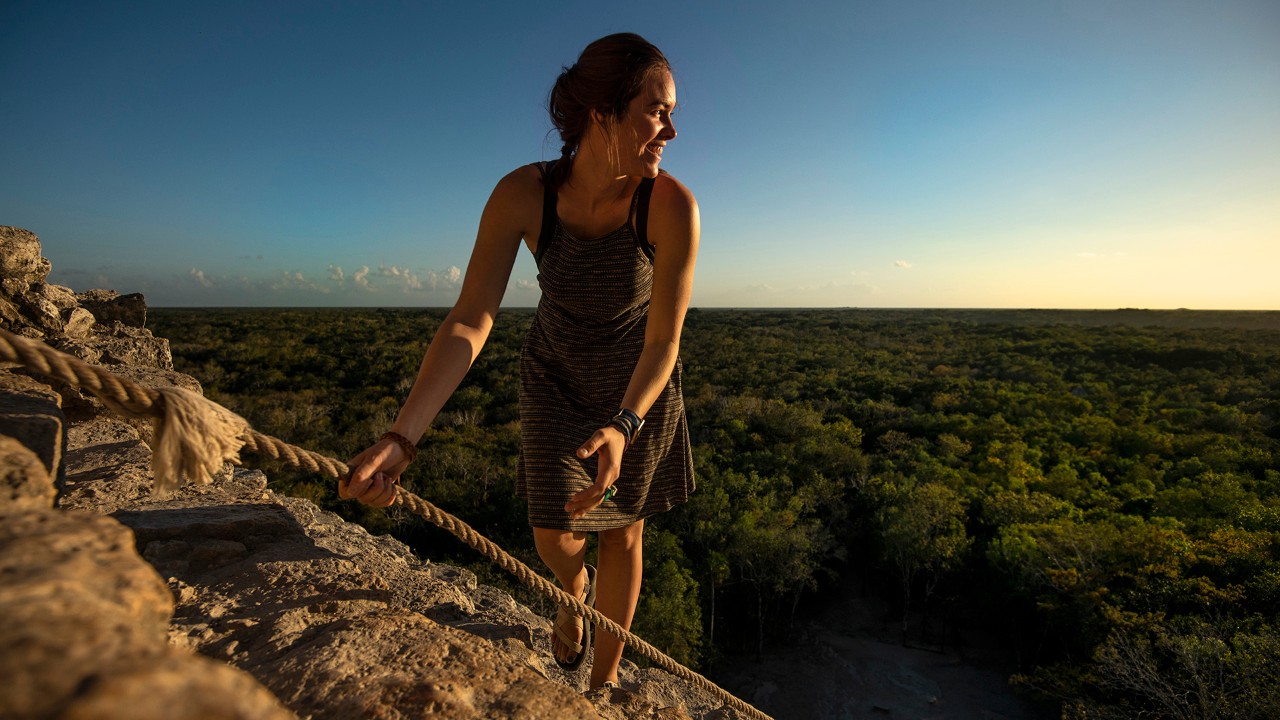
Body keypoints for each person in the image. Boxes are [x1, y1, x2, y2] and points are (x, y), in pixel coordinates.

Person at [339, 32, 698, 691]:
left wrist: (624, 424)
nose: (672, 129)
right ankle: (573, 589)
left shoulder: (671, 206)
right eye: (657, 110)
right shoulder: (524, 195)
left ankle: (598, 689)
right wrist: (402, 438)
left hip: (636, 391)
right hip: (556, 380)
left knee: (621, 533)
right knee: (553, 538)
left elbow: (663, 342)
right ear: (601, 113)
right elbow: (471, 319)